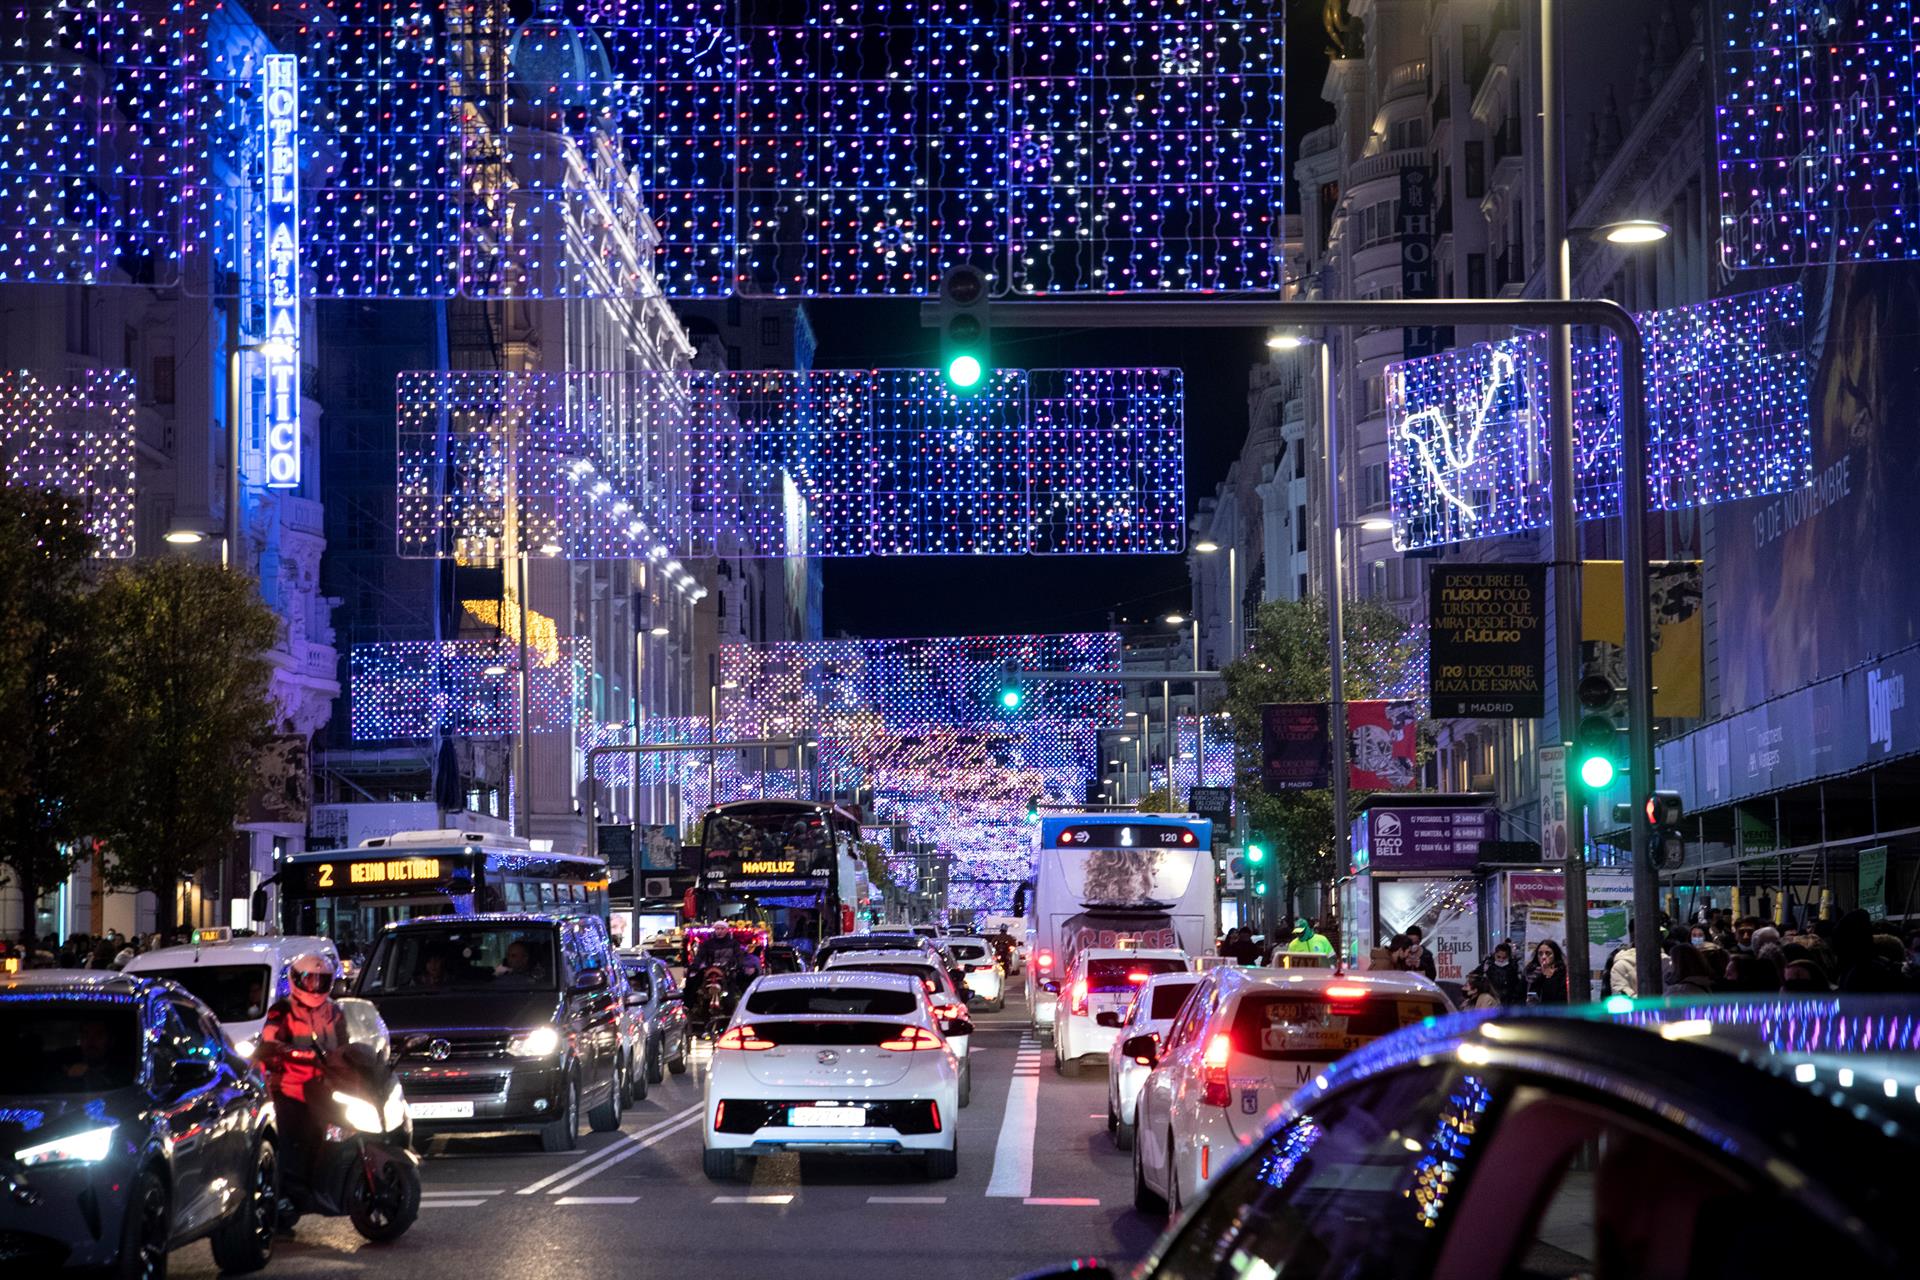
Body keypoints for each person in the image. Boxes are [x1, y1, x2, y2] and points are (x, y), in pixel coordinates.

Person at [254, 952, 347, 1221]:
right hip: (290, 1087)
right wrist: (285, 1051)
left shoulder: (334, 1011)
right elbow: (270, 1041)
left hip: (326, 1087)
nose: (315, 987)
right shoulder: (282, 1010)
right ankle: (281, 1195)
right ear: (296, 980)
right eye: (310, 980)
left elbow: (345, 1044)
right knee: (292, 1139)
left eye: (322, 981)